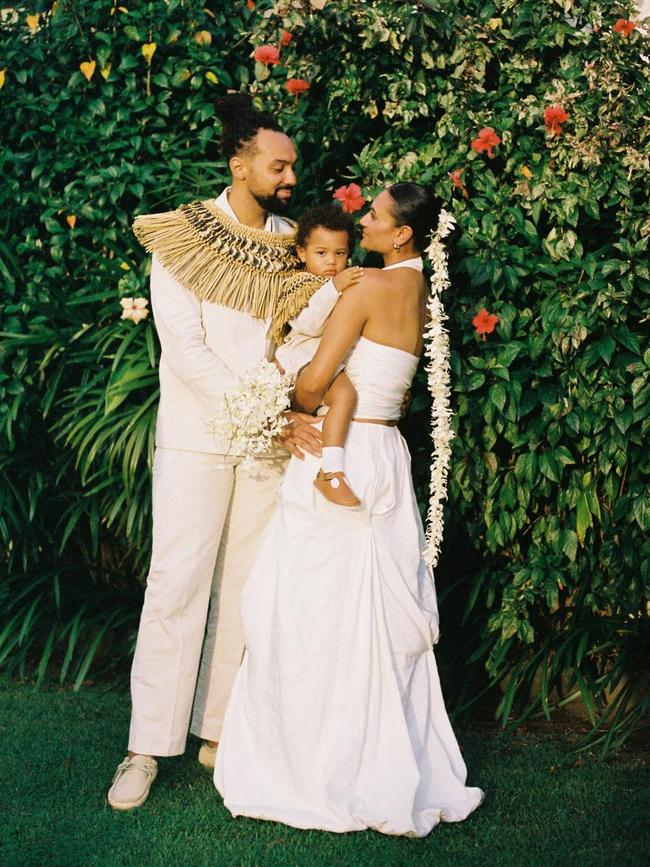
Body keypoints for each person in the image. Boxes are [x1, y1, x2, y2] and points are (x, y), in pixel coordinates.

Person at [214, 182, 484, 836]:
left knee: (313, 610)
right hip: (384, 451)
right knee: (364, 616)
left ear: (401, 235)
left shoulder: (366, 289)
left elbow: (312, 384)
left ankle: (314, 766)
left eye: (376, 213)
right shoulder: (418, 292)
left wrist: (284, 385)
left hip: (341, 444)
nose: (364, 217)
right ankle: (382, 755)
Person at [107, 93, 338, 811]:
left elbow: (302, 332)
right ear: (239, 163)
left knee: (245, 584)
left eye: (293, 165)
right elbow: (183, 348)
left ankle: (218, 731)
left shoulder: (291, 243)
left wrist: (294, 393)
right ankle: (145, 747)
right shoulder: (182, 236)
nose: (290, 176)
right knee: (176, 582)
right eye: (279, 164)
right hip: (199, 436)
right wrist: (264, 406)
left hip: (266, 445)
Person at [274, 203, 364, 507]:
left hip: (324, 361)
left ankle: (326, 464)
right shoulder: (300, 284)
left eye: (339, 254)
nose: (331, 262)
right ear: (302, 253)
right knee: (346, 397)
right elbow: (308, 324)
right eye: (321, 253)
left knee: (343, 404)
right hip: (302, 360)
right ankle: (330, 471)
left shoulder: (342, 284)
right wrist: (334, 288)